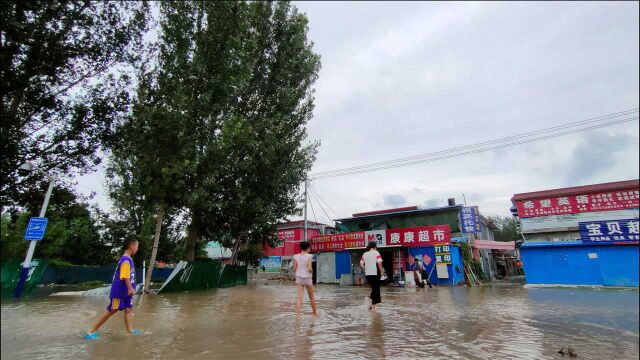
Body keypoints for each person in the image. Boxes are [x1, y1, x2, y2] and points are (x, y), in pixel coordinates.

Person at [84, 237, 141, 339]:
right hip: (120, 291)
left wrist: (130, 289)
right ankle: (91, 331)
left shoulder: (128, 259)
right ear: (131, 246)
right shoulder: (125, 260)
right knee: (112, 310)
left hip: (127, 291)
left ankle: (130, 331)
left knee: (128, 309)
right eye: (137, 246)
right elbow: (125, 276)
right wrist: (130, 288)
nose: (137, 248)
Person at [293, 241, 317, 317]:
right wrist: (311, 269)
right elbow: (310, 268)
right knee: (312, 297)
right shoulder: (309, 256)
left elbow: (294, 268)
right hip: (307, 278)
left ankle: (298, 315)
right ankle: (315, 314)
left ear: (301, 248)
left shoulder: (296, 256)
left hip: (299, 278)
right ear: (308, 248)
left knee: (299, 298)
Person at [360, 241, 384, 311]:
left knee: (374, 288)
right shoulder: (376, 252)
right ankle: (373, 308)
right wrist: (382, 271)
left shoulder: (365, 254)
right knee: (376, 290)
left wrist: (365, 269)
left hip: (368, 275)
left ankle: (370, 303)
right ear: (375, 247)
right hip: (375, 274)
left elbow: (361, 264)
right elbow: (379, 263)